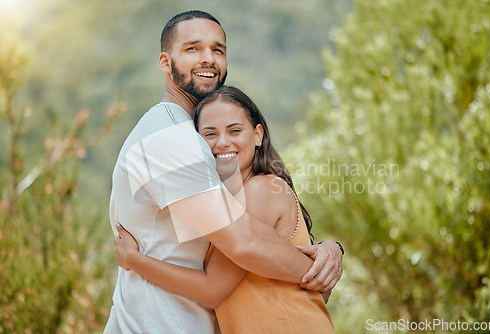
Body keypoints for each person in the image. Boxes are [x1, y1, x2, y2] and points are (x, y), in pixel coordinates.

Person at [104, 10, 343, 334]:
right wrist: (319, 269)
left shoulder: (191, 141)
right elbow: (244, 242)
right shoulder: (172, 137)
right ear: (164, 61)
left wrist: (330, 251)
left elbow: (263, 231)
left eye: (218, 50)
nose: (208, 59)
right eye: (192, 49)